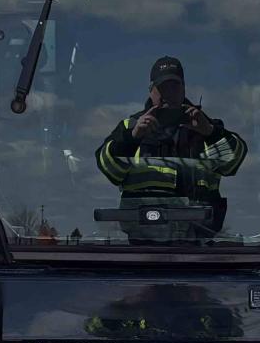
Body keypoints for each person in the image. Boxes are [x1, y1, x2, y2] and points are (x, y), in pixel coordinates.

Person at [95, 57, 247, 235]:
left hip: (200, 244)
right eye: (163, 88)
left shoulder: (205, 126)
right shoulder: (130, 127)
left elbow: (232, 163)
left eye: (174, 87)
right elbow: (110, 169)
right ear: (151, 91)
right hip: (142, 245)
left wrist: (210, 132)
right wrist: (133, 137)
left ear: (183, 89)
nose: (168, 94)